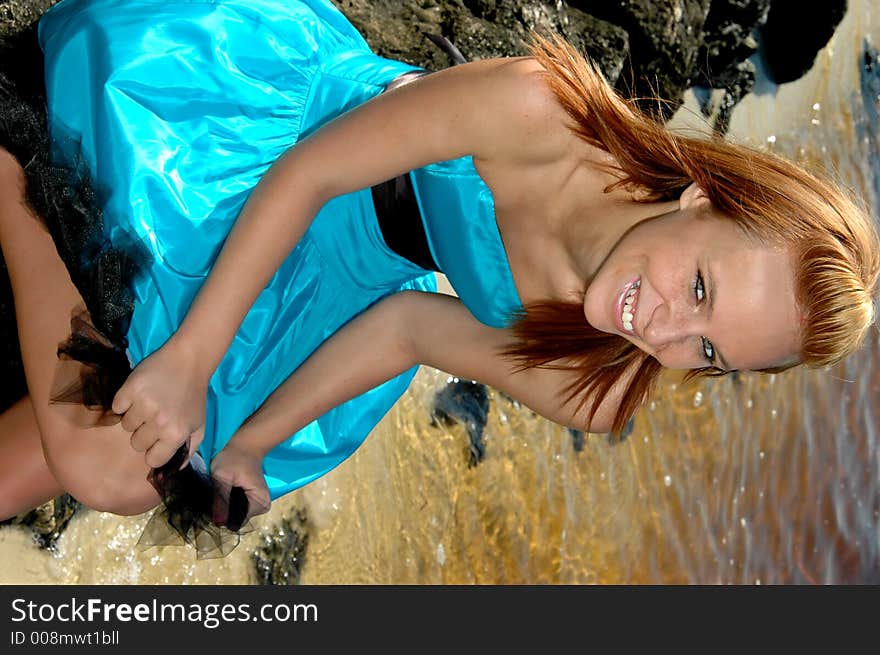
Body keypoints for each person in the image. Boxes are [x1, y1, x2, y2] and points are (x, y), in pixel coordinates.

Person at [0, 0, 877, 553]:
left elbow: (412, 327)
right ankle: (13, 170)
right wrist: (194, 355)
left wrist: (252, 445)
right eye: (701, 290)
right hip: (288, 147)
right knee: (106, 465)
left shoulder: (596, 385)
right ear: (700, 198)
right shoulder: (541, 112)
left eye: (711, 352)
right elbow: (310, 175)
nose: (666, 333)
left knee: (41, 468)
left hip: (351, 284)